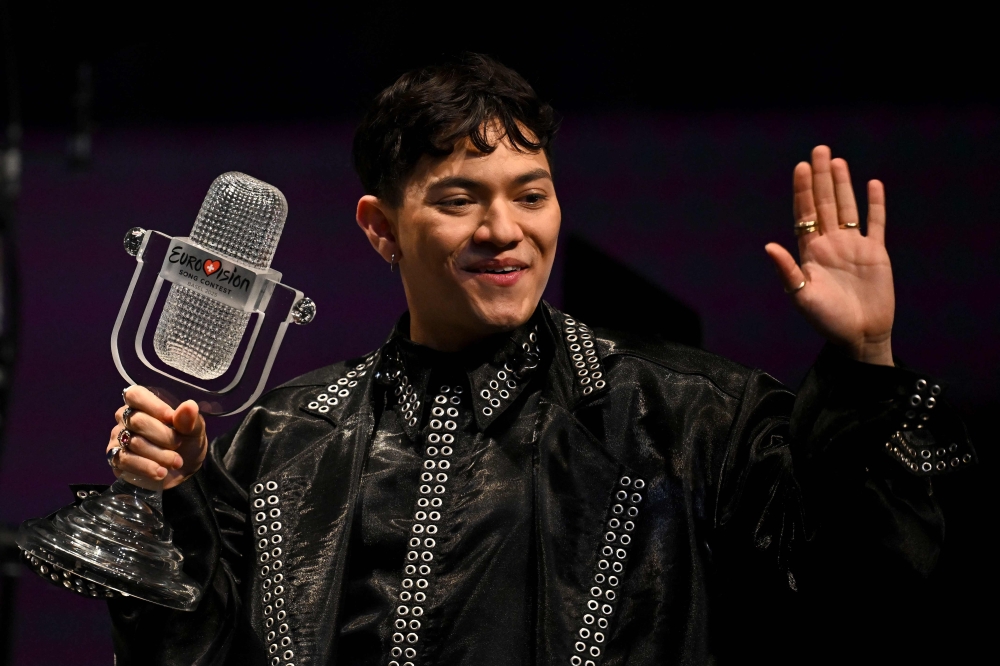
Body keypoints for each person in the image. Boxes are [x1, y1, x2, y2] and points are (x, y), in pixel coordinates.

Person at [47, 55, 978, 665]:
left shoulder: (690, 415)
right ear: (380, 229)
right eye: (459, 199)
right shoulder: (285, 437)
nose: (505, 230)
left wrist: (865, 358)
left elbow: (870, 592)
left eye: (530, 194)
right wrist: (180, 502)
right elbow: (191, 653)